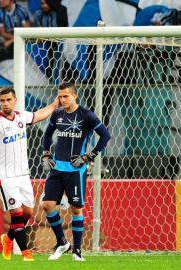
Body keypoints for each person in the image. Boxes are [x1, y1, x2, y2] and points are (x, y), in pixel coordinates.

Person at [0, 86, 60, 261]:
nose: (6, 103)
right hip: (4, 177)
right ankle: (26, 254)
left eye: (9, 100)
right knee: (15, 212)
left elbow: (38, 115)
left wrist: (53, 105)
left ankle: (7, 238)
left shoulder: (22, 117)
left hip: (23, 175)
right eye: (2, 100)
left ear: (15, 100)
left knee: (28, 213)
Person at [41, 81, 111, 261]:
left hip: (76, 170)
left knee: (76, 209)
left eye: (66, 96)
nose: (62, 99)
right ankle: (63, 243)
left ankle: (77, 251)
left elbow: (105, 135)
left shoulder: (86, 115)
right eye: (60, 96)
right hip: (57, 168)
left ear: (75, 96)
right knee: (47, 205)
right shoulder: (57, 114)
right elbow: (47, 134)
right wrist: (46, 154)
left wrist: (89, 156)